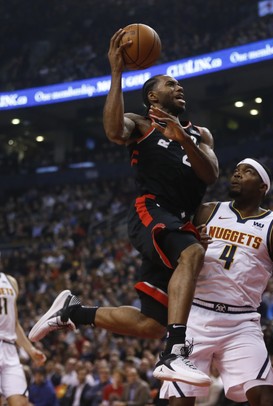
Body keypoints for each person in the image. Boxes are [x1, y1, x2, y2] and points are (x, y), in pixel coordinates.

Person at [28, 27, 219, 388]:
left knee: (151, 323)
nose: (179, 87)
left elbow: (209, 173)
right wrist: (116, 73)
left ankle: (73, 311)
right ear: (152, 96)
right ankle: (175, 352)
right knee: (192, 254)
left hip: (180, 221)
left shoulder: (200, 133)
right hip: (152, 211)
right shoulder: (142, 124)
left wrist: (182, 138)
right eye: (170, 83)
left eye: (180, 84)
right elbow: (114, 131)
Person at [160, 159, 273, 405]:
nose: (237, 174)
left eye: (247, 172)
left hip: (241, 322)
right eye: (236, 170)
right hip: (195, 316)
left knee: (265, 396)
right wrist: (194, 247)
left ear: (263, 187)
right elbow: (178, 264)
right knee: (180, 401)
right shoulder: (207, 211)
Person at [0, 270, 47, 406]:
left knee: (21, 402)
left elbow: (14, 324)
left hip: (9, 349)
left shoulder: (10, 281)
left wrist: (30, 350)